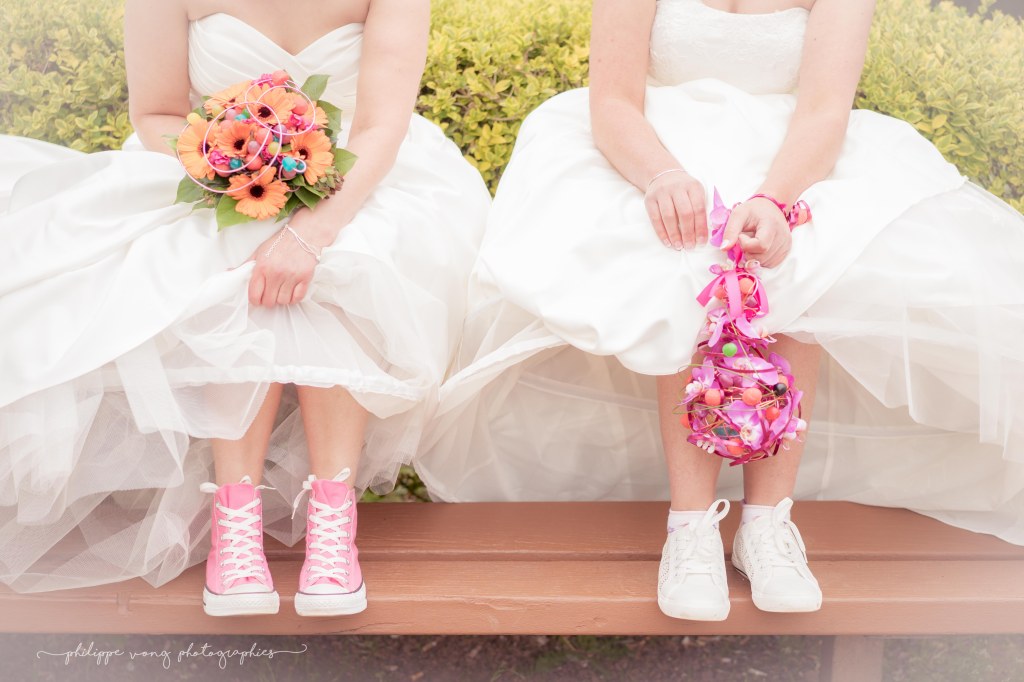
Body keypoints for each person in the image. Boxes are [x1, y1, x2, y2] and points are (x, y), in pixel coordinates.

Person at [416, 0, 1024, 622]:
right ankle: (691, 530)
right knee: (681, 258)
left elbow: (823, 110)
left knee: (806, 259)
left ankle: (768, 524)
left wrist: (774, 201)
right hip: (658, 150)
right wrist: (662, 176)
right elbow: (614, 101)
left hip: (790, 158)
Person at [0, 0, 490, 617]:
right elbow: (155, 114)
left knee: (351, 265)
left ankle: (332, 524)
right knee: (228, 262)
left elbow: (378, 128)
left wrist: (313, 228)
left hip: (359, 178)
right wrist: (231, 175)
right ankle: (235, 520)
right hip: (211, 173)